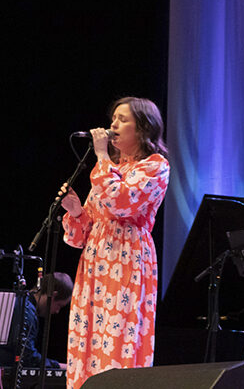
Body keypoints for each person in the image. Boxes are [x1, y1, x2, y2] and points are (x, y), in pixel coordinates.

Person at [59, 97, 170, 389]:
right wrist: (75, 212)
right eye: (113, 119)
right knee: (87, 338)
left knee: (118, 339)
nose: (113, 125)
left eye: (122, 119)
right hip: (95, 263)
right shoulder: (109, 168)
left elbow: (122, 203)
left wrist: (102, 157)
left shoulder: (155, 166)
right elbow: (79, 236)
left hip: (127, 261)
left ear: (144, 128)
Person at [0, 272, 73, 370]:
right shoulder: (26, 311)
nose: (57, 311)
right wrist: (59, 366)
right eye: (59, 305)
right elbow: (27, 357)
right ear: (53, 295)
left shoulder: (19, 300)